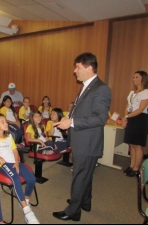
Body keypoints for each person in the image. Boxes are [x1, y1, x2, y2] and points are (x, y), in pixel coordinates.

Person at [52, 52, 111, 221]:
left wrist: (71, 122)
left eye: (78, 67)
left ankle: (73, 211)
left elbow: (101, 118)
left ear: (89, 68)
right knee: (85, 174)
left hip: (87, 142)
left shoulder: (101, 89)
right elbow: (80, 111)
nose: (74, 71)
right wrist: (67, 119)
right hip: (82, 140)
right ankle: (84, 202)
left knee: (79, 175)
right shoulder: (87, 85)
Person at [0, 113, 39, 224]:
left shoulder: (9, 137)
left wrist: (17, 163)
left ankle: (25, 200)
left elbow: (14, 150)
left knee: (32, 178)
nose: (6, 123)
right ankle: (27, 212)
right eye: (2, 122)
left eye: (5, 121)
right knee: (16, 179)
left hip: (14, 162)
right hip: (3, 165)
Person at [121, 70, 148, 177]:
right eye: (133, 77)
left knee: (137, 145)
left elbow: (141, 109)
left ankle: (136, 168)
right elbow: (128, 106)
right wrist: (125, 118)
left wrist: (127, 116)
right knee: (131, 144)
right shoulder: (132, 92)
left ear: (143, 79)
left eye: (136, 77)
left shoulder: (146, 92)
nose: (134, 79)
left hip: (140, 119)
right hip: (131, 118)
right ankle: (131, 166)